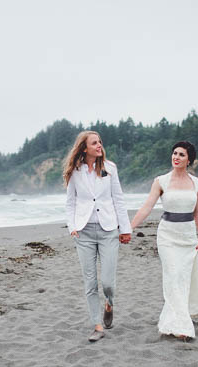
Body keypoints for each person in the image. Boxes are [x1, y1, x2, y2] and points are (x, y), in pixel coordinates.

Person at [130, 141, 198, 340]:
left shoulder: (195, 184)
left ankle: (184, 313)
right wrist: (129, 227)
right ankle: (180, 325)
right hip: (167, 236)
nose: (176, 157)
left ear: (189, 159)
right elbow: (147, 207)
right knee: (173, 276)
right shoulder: (161, 181)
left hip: (188, 236)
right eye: (174, 153)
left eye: (181, 154)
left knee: (183, 277)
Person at [64, 130, 132, 342]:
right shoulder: (75, 172)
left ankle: (109, 303)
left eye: (100, 142)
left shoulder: (110, 169)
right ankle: (97, 325)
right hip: (83, 232)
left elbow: (118, 199)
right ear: (84, 148)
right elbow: (71, 202)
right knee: (90, 283)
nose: (99, 145)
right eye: (94, 143)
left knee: (108, 282)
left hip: (108, 230)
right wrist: (72, 227)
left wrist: (125, 228)